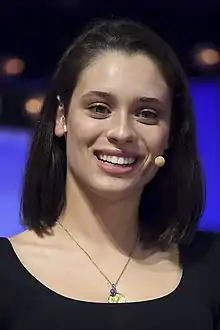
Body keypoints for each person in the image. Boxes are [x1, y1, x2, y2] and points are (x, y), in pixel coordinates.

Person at [0, 18, 219, 330]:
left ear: (170, 133)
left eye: (147, 114)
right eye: (99, 108)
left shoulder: (210, 264)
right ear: (62, 118)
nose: (121, 132)